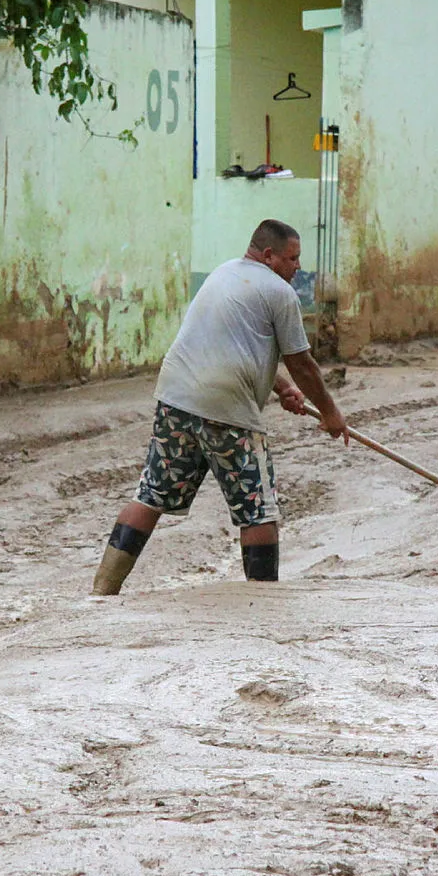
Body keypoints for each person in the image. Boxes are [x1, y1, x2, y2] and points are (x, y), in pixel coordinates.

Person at [92, 219, 347, 594]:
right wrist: (330, 412)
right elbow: (303, 364)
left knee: (151, 495)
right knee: (258, 508)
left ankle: (102, 590)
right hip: (227, 409)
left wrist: (279, 388)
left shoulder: (223, 273)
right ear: (268, 255)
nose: (298, 267)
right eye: (292, 259)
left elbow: (231, 343)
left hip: (176, 396)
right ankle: (262, 600)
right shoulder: (280, 292)